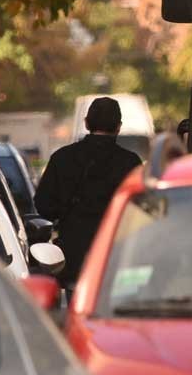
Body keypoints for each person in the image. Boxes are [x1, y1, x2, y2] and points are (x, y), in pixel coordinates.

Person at [35, 97, 143, 287]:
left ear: (86, 123)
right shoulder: (131, 163)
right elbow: (142, 209)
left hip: (73, 257)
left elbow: (43, 205)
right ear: (118, 126)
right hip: (117, 255)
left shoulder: (62, 159)